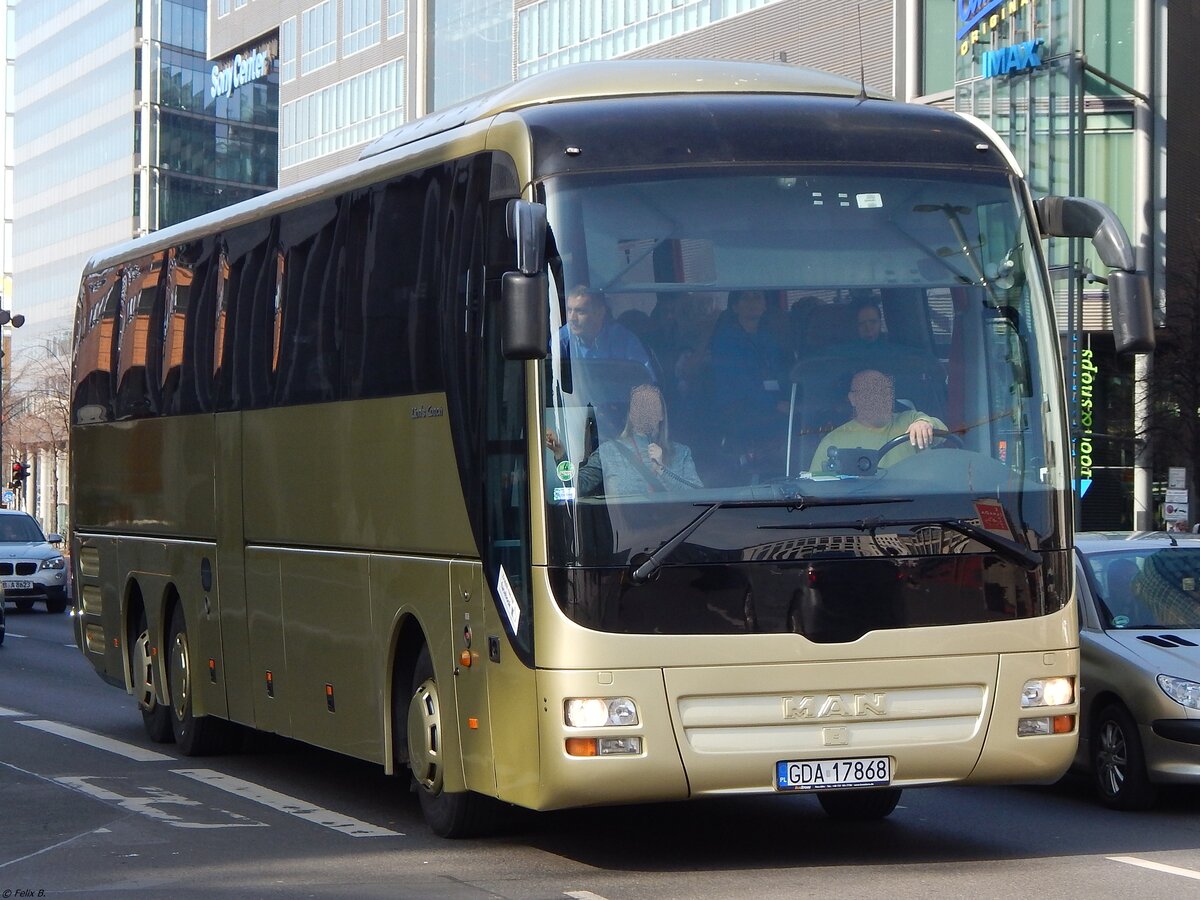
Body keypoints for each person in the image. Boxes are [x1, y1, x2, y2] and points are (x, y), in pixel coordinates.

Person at [547, 383, 701, 496]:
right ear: (631, 414)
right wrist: (561, 454)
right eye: (639, 406)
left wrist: (662, 470)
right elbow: (576, 486)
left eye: (652, 405)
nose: (645, 411)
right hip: (623, 534)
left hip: (675, 530)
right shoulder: (608, 451)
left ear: (662, 414)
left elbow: (697, 496)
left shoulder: (681, 453)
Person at [809, 368, 947, 474]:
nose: (878, 398)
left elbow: (943, 434)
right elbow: (816, 489)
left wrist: (924, 424)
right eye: (869, 392)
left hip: (915, 505)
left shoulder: (910, 420)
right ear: (853, 399)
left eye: (884, 391)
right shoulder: (833, 441)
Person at [708, 290, 792, 448]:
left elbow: (781, 373)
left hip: (775, 404)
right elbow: (739, 383)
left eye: (757, 297)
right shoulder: (725, 339)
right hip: (740, 407)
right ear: (735, 307)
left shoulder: (770, 337)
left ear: (765, 305)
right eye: (745, 298)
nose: (752, 302)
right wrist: (774, 404)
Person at [558, 285, 652, 371]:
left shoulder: (625, 341)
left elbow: (645, 383)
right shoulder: (561, 341)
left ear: (600, 313)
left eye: (580, 312)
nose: (572, 318)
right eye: (569, 310)